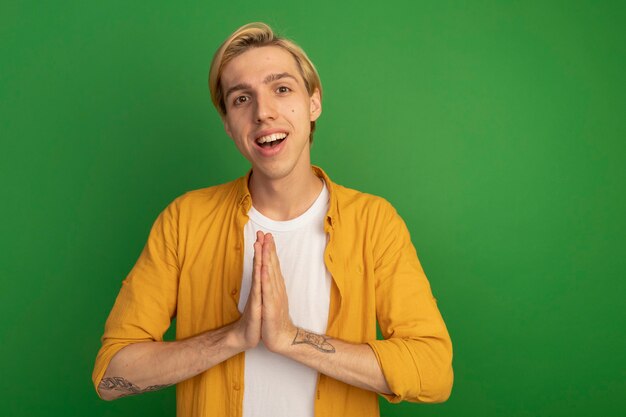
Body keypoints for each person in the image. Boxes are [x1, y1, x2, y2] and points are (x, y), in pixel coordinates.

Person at [92, 22, 453, 417]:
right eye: (242, 99)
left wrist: (290, 338)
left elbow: (434, 373)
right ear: (229, 124)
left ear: (314, 102)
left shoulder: (374, 223)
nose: (264, 112)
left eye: (282, 88)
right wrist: (234, 337)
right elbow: (112, 375)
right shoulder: (184, 221)